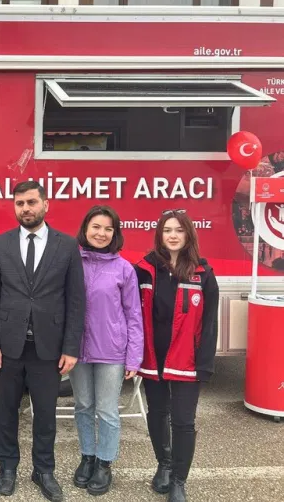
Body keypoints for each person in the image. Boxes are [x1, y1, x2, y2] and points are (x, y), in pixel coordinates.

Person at [0, 180, 85, 500]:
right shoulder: (0, 244)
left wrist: (71, 347)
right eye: (19, 203)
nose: (25, 208)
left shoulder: (66, 246)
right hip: (8, 347)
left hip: (48, 348)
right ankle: (7, 467)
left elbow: (76, 300)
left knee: (45, 414)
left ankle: (44, 470)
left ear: (45, 204)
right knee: (6, 412)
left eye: (31, 202)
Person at [135, 210, 219, 502]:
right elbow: (133, 315)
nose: (172, 235)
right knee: (157, 413)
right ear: (159, 234)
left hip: (187, 360)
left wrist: (204, 365)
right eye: (167, 230)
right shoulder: (144, 269)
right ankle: (164, 464)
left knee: (183, 421)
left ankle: (179, 481)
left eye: (179, 230)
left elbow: (209, 323)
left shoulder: (203, 273)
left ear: (188, 235)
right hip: (153, 357)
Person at [69, 206, 143, 495]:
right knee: (83, 406)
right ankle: (87, 457)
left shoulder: (124, 269)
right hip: (77, 351)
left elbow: (133, 315)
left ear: (115, 233)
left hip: (111, 351)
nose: (101, 233)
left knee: (107, 410)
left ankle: (104, 463)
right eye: (96, 227)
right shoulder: (72, 263)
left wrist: (134, 357)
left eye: (108, 228)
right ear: (85, 229)